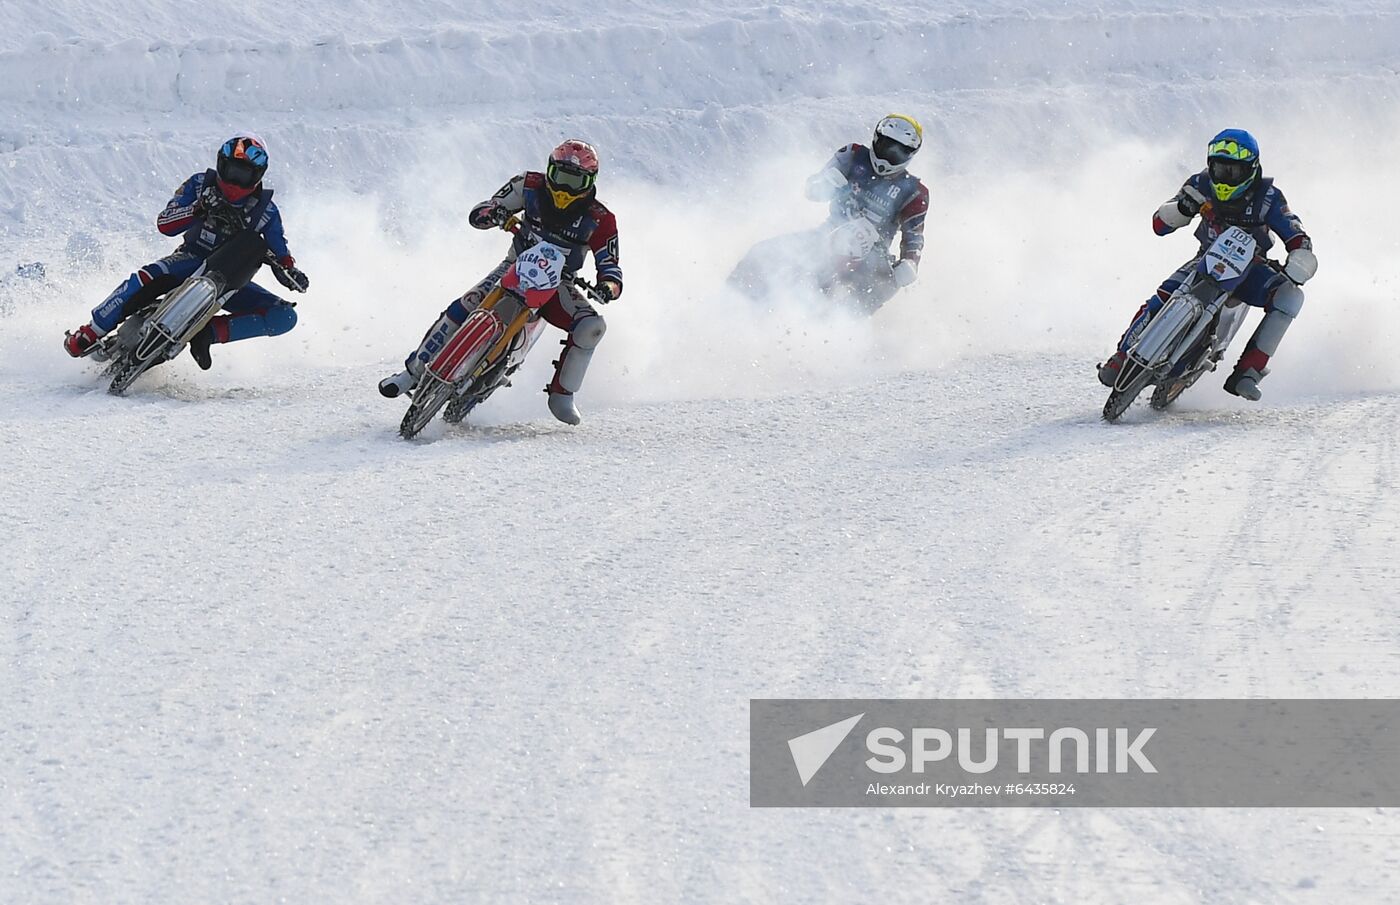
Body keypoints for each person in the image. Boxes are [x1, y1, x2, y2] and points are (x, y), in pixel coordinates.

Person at [379, 139, 622, 425]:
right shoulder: (528, 185)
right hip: (514, 267)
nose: (564, 189)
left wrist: (607, 287)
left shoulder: (600, 219)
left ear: (590, 182)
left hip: (558, 284)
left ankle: (562, 395)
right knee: (466, 303)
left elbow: (611, 268)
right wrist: (495, 213)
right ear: (549, 170)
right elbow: (481, 211)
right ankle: (411, 373)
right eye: (560, 177)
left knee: (592, 327)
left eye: (574, 181)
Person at [1098, 129, 1317, 400]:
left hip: (1252, 268)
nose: (1225, 177)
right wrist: (1181, 209)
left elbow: (1295, 231)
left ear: (1251, 169)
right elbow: (1159, 225)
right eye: (1219, 169)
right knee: (1164, 294)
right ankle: (1121, 356)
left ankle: (1248, 372)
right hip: (1206, 259)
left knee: (1290, 297)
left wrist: (1299, 256)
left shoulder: (1269, 197)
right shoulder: (1199, 185)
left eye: (1233, 171)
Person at [63, 134, 309, 370]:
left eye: (243, 175)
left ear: (257, 176)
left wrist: (291, 273)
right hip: (190, 259)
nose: (235, 182)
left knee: (285, 316)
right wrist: (197, 209)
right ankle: (91, 331)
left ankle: (207, 333)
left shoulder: (267, 211)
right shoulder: (199, 184)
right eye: (232, 171)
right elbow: (165, 224)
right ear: (221, 165)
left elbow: (282, 255)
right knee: (147, 277)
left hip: (232, 281)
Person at [730, 114, 928, 313]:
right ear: (876, 139)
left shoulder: (915, 192)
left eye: (897, 152)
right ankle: (730, 302)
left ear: (910, 155)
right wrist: (825, 184)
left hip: (873, 256)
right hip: (827, 235)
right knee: (762, 253)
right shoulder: (852, 155)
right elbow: (811, 190)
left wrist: (911, 262)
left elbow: (914, 238)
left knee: (890, 281)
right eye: (886, 146)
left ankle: (845, 323)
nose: (888, 156)